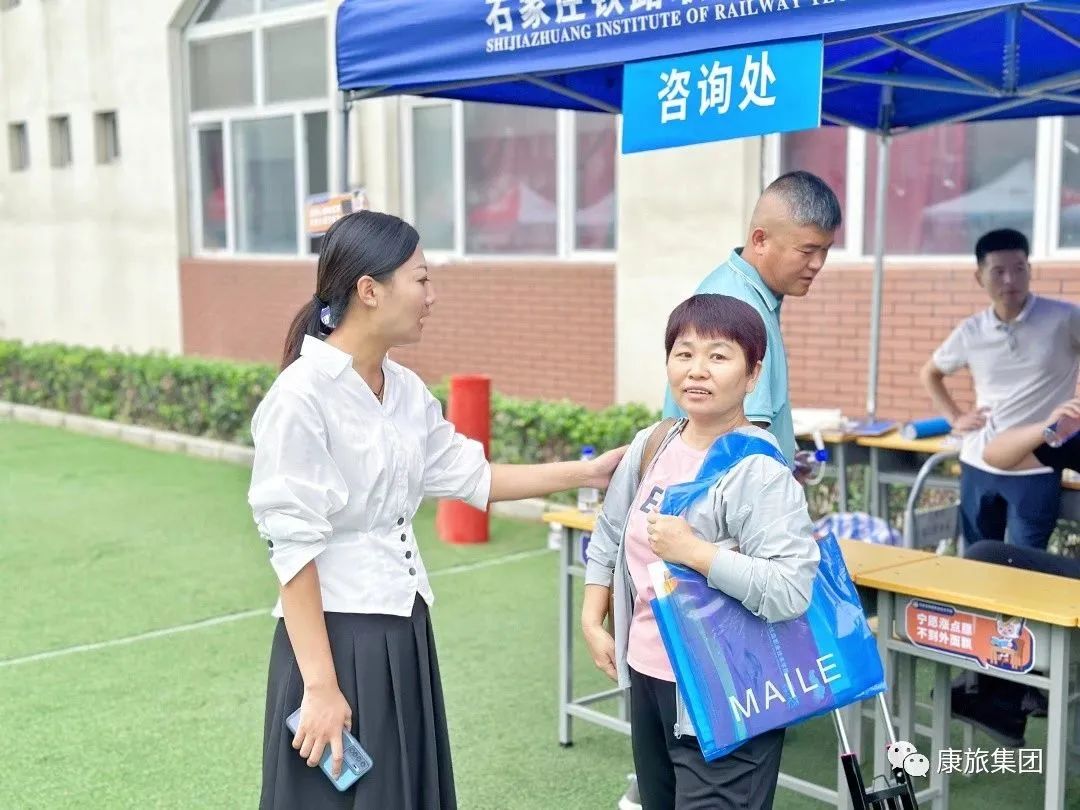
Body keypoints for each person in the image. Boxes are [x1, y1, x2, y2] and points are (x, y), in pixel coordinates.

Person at [248, 210, 625, 810]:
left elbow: (474, 476)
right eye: (421, 279)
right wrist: (320, 687)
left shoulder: (403, 389)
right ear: (369, 290)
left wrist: (588, 472)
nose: (432, 296)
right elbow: (293, 551)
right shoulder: (300, 397)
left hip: (403, 626)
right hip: (335, 638)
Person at [584, 293, 821, 810]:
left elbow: (790, 589)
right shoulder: (655, 443)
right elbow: (609, 531)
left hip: (729, 686)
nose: (697, 370)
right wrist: (591, 617)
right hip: (649, 675)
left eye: (718, 356)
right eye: (684, 353)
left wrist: (695, 552)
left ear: (753, 375)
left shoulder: (758, 469)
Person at [662, 170, 842, 466]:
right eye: (807, 251)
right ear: (760, 240)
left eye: (825, 250)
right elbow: (740, 441)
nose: (818, 263)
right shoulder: (739, 306)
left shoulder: (743, 291)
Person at [920, 228, 1080, 550]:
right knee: (977, 560)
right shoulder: (971, 331)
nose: (1010, 280)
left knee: (1025, 565)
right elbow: (930, 373)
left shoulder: (1064, 319)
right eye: (998, 271)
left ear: (1030, 270)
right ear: (979, 277)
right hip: (978, 460)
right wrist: (955, 417)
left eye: (1019, 269)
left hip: (1035, 465)